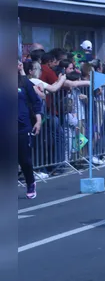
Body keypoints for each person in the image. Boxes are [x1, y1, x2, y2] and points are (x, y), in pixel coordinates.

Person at [18, 61, 43, 199]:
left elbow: (36, 101)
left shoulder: (23, 82)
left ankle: (30, 182)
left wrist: (38, 120)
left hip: (22, 126)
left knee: (24, 160)